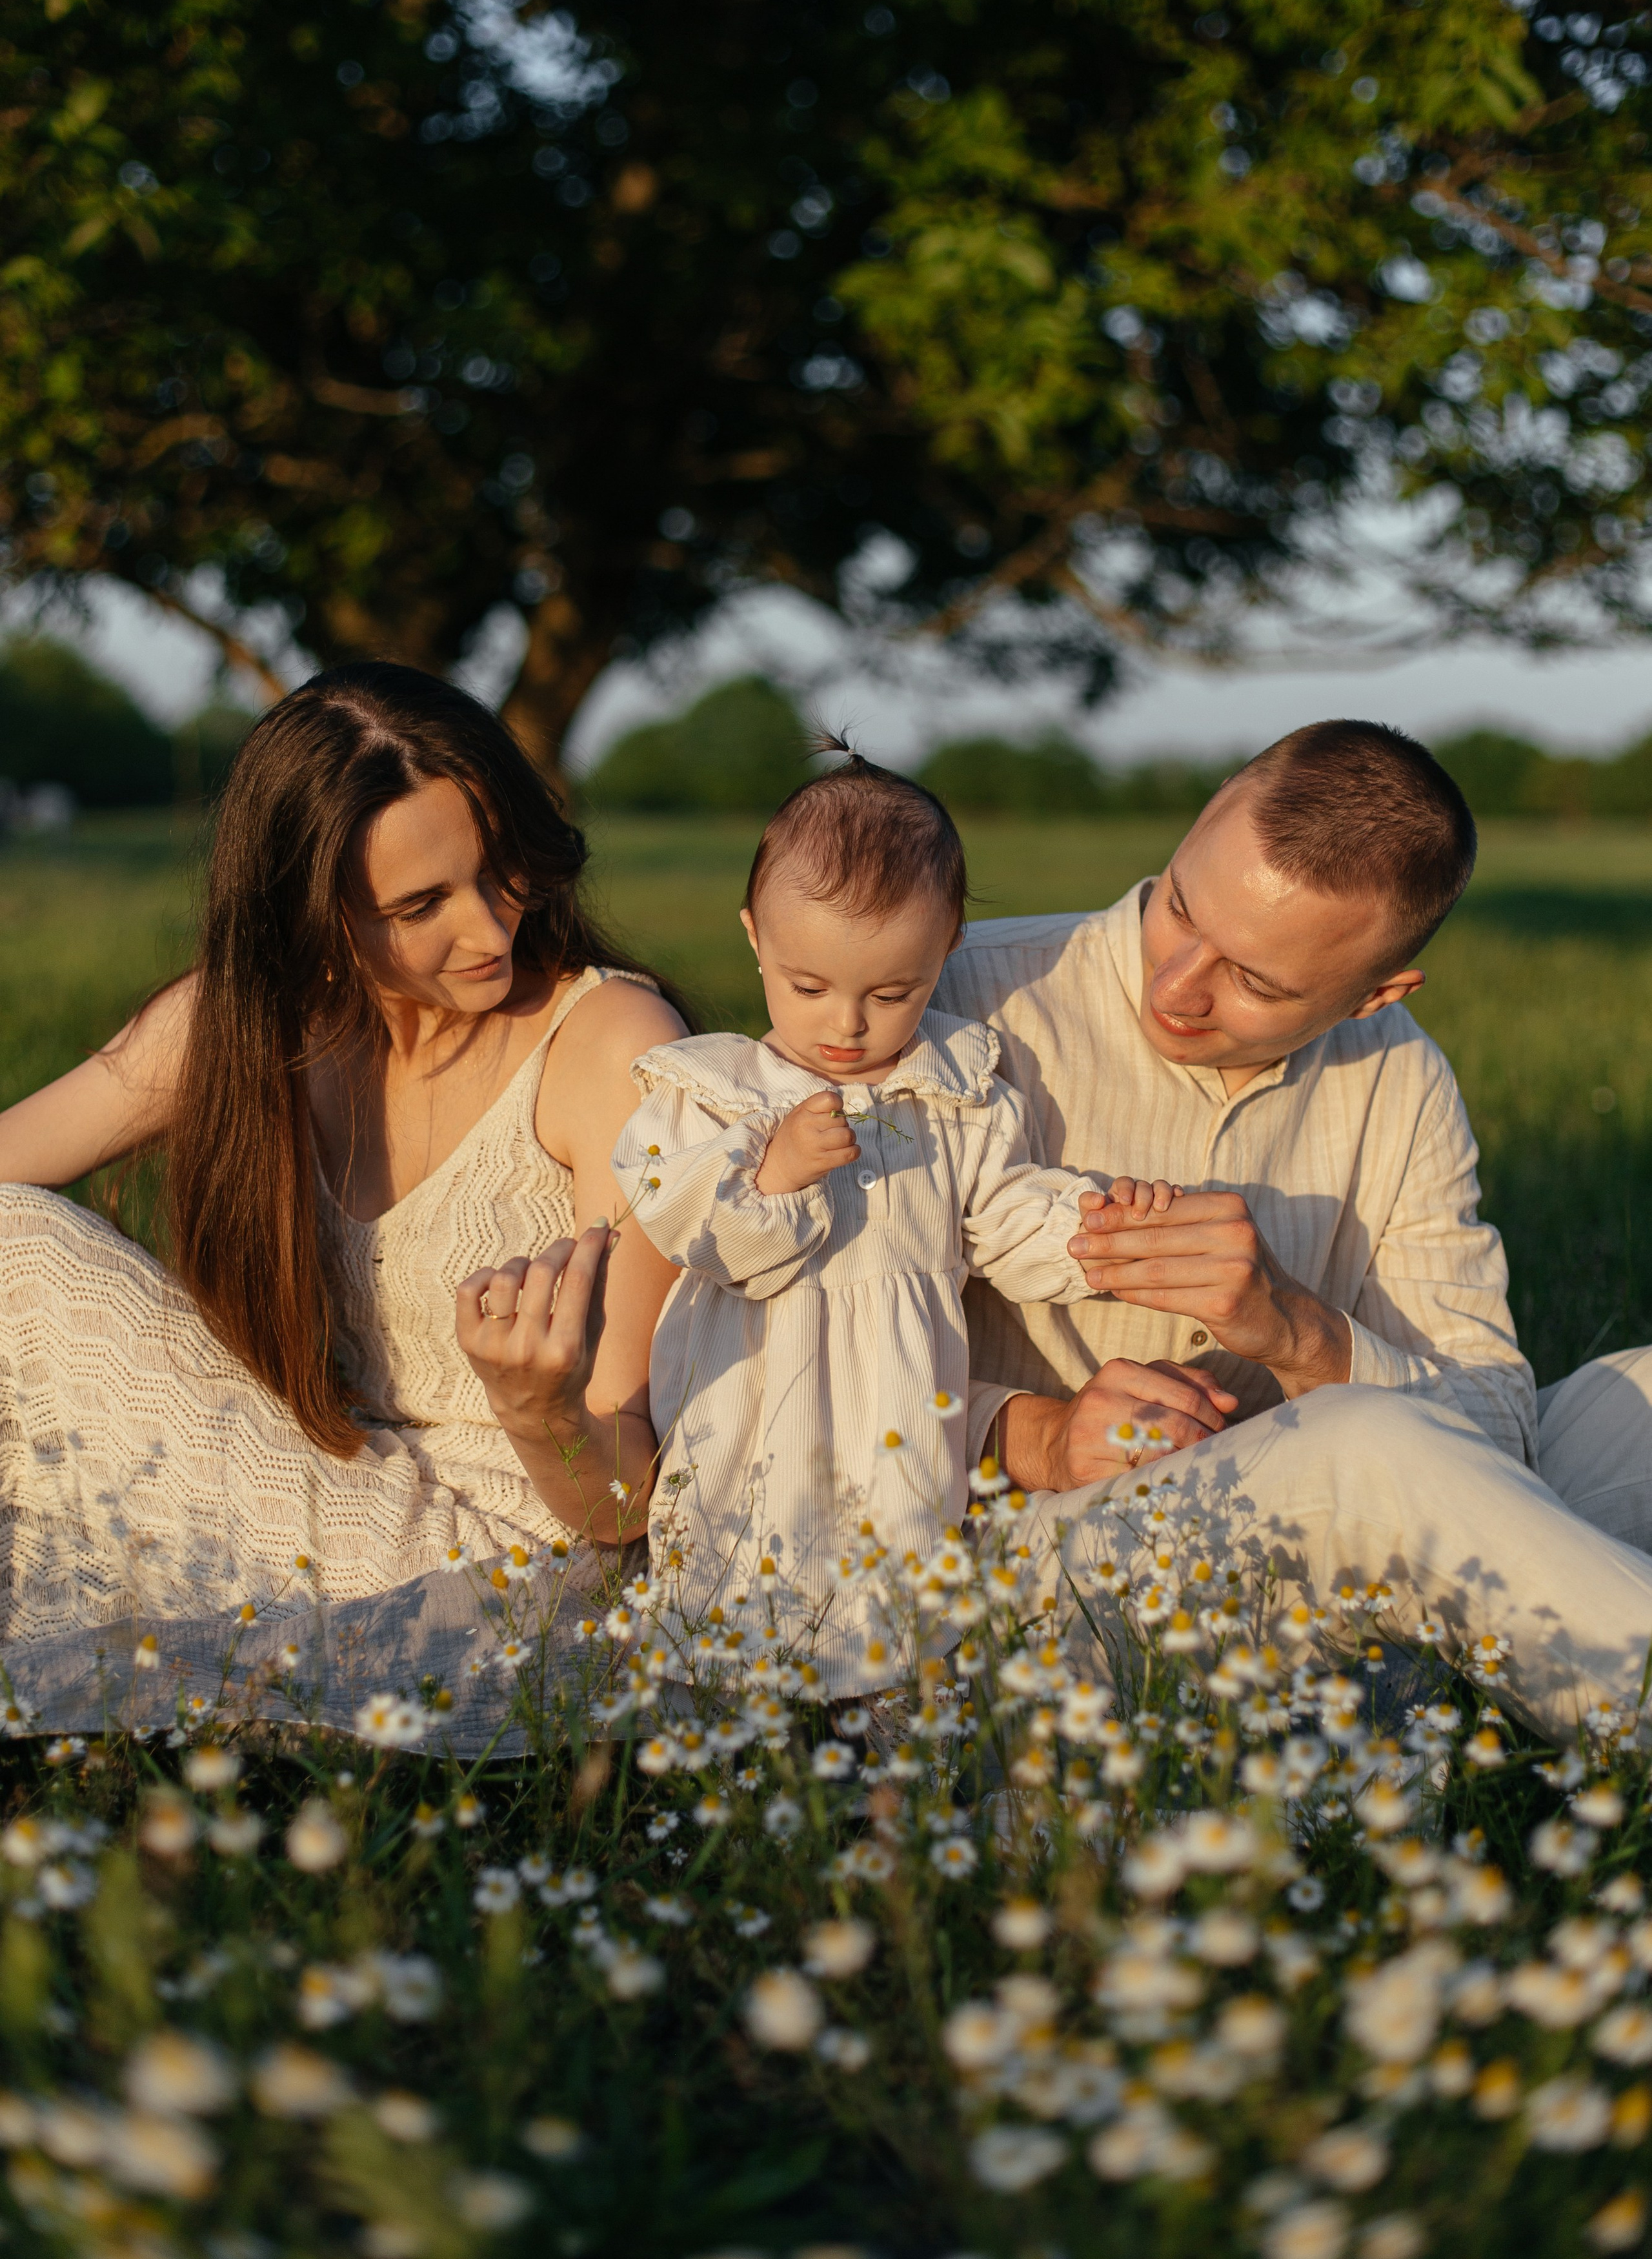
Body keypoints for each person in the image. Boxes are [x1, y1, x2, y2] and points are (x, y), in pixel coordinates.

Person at [934, 719, 1652, 1739]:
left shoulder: (1399, 1077)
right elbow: (788, 1372)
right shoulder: (960, 998)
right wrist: (1036, 1434)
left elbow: (1499, 1428)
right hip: (1024, 1574)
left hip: (1342, 1532)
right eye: (1180, 907)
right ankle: (1455, 1684)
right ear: (1210, 806)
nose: (1176, 984)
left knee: (1639, 1405)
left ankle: (1439, 1679)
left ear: (1375, 997)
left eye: (1256, 982)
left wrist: (1300, 1336)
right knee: (1371, 1446)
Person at [0, 663, 683, 1645]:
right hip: (330, 1484)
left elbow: (621, 1508)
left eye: (502, 868)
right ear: (312, 919)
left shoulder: (613, 1044)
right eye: (421, 906)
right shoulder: (251, 1025)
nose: (490, 927)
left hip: (515, 1565)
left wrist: (542, 1410)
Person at [614, 749, 1174, 1688]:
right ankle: (715, 1762)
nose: (846, 1025)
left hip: (897, 1422)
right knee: (724, 1617)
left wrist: (1095, 1224)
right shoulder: (716, 1097)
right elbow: (693, 1228)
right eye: (808, 987)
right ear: (755, 937)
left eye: (891, 993)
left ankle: (886, 1778)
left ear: (946, 947)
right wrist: (778, 1172)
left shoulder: (955, 1093)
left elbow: (1000, 1219)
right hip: (754, 1413)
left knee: (894, 1628)